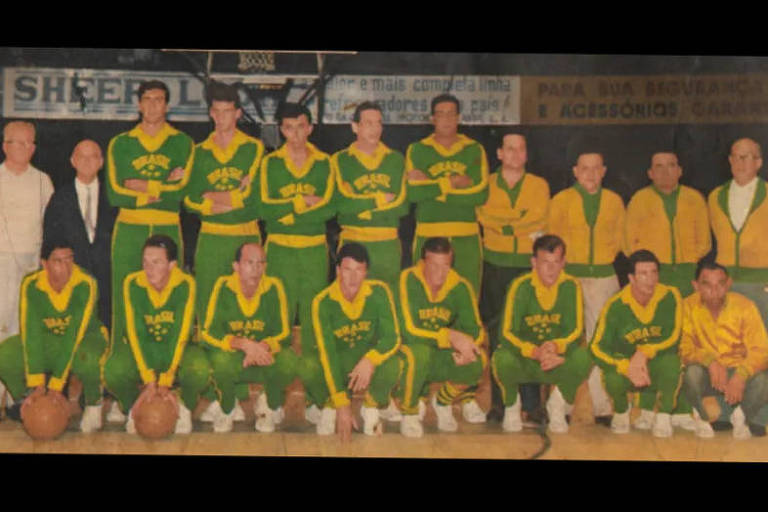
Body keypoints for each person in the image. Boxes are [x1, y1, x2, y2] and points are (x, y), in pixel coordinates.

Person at [106, 80, 194, 400]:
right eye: (147, 99)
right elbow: (116, 193)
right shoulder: (121, 143)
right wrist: (161, 184)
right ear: (139, 104)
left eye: (159, 100)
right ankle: (120, 385)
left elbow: (180, 194)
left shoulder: (183, 143)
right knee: (123, 302)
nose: (153, 105)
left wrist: (140, 185)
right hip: (129, 229)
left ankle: (170, 382)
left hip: (169, 226)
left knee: (172, 301)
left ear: (167, 105)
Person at [405, 94, 489, 423]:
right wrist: (453, 183)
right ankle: (420, 387)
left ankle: (462, 394)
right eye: (439, 114)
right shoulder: (418, 149)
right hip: (428, 233)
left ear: (458, 117)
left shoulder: (473, 149)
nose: (445, 119)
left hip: (467, 237)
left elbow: (480, 191)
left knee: (468, 314)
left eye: (450, 114)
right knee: (424, 311)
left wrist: (432, 184)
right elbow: (411, 192)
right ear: (431, 118)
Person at [259, 102, 335, 417]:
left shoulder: (326, 163)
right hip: (279, 250)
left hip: (314, 250)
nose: (296, 134)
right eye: (289, 127)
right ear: (281, 130)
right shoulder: (270, 163)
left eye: (301, 126)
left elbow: (331, 207)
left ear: (311, 128)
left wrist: (287, 209)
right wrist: (304, 204)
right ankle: (273, 400)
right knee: (278, 326)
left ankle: (318, 397)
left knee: (316, 325)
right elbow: (264, 208)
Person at [0, 236, 108, 432]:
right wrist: (37, 385)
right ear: (44, 263)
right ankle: (27, 400)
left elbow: (73, 335)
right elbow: (31, 333)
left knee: (87, 358)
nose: (66, 267)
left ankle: (94, 402)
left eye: (69, 259)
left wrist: (56, 385)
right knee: (5, 353)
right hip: (50, 340)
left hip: (85, 338)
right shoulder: (31, 284)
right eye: (58, 261)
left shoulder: (85, 283)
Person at [477, 131, 549, 424]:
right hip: (495, 264)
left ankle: (532, 405)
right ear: (500, 154)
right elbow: (483, 215)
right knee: (497, 336)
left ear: (526, 154)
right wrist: (515, 223)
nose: (516, 154)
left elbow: (538, 218)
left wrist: (505, 225)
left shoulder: (539, 185)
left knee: (530, 331)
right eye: (510, 149)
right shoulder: (487, 184)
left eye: (521, 149)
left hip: (527, 266)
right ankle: (500, 403)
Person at [103, 235, 209, 434]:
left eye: (156, 262)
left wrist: (166, 380)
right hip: (145, 349)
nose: (148, 268)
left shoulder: (185, 284)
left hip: (177, 350)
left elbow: (180, 334)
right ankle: (134, 406)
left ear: (172, 265)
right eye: (145, 262)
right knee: (113, 370)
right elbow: (136, 333)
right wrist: (150, 380)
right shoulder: (132, 283)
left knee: (200, 368)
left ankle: (184, 404)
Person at [549, 150, 624, 425]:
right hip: (570, 277)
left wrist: (601, 259)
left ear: (604, 171)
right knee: (566, 342)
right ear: (575, 171)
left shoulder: (614, 201)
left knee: (601, 342)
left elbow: (621, 239)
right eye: (585, 168)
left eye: (596, 168)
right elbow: (553, 239)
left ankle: (603, 406)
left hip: (604, 277)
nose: (590, 174)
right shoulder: (561, 200)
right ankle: (562, 406)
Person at [301, 243, 401, 441]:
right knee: (308, 366)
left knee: (394, 363)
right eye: (347, 269)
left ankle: (371, 406)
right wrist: (341, 404)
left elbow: (393, 337)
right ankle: (328, 403)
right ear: (338, 270)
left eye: (359, 270)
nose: (353, 277)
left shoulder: (379, 292)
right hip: (339, 362)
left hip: (365, 361)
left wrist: (370, 360)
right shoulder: (323, 301)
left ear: (366, 271)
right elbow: (327, 354)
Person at [492, 234, 590, 434]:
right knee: (501, 357)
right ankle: (512, 405)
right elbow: (506, 332)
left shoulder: (571, 286)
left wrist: (556, 347)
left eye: (556, 262)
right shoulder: (520, 286)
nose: (551, 269)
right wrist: (533, 351)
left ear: (563, 263)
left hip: (554, 359)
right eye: (545, 262)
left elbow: (576, 331)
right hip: (527, 359)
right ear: (533, 262)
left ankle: (558, 404)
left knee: (585, 356)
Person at [183, 81, 264, 319]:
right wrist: (233, 197)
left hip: (245, 235)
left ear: (238, 113)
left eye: (227, 111)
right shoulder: (199, 152)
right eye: (216, 111)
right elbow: (189, 199)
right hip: (211, 237)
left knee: (247, 302)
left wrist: (210, 196)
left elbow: (255, 201)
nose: (221, 117)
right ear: (210, 113)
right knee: (209, 301)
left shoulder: (254, 148)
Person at [200, 242, 297, 433]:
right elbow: (208, 332)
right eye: (249, 263)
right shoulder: (223, 286)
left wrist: (262, 346)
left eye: (261, 263)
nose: (256, 269)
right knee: (219, 360)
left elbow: (284, 333)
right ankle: (227, 408)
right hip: (236, 359)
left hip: (264, 356)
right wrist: (244, 344)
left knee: (289, 361)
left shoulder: (274, 287)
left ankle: (268, 404)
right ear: (236, 266)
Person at [397, 237, 485, 437]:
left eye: (445, 265)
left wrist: (468, 346)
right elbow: (408, 330)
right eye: (433, 265)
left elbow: (477, 330)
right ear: (423, 262)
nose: (440, 272)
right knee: (418, 353)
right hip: (407, 353)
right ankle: (409, 410)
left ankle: (443, 402)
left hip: (439, 354)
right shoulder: (407, 280)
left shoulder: (460, 286)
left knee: (478, 359)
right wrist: (450, 336)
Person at [590, 250, 683, 437]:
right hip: (628, 370)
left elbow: (674, 337)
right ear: (631, 278)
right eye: (643, 274)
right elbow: (596, 347)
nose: (651, 279)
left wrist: (644, 353)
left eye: (654, 272)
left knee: (672, 362)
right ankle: (622, 412)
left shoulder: (670, 295)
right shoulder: (615, 305)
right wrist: (625, 366)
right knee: (611, 375)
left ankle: (663, 415)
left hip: (654, 365)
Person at [680, 259, 768, 439]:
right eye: (707, 284)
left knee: (763, 382)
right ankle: (702, 418)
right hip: (707, 374)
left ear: (728, 284)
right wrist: (709, 362)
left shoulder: (744, 306)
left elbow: (761, 349)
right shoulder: (686, 306)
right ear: (696, 286)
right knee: (691, 374)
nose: (714, 290)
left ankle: (740, 416)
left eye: (720, 284)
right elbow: (684, 347)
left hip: (737, 370)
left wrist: (741, 374)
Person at [331, 101, 407, 294]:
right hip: (353, 242)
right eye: (368, 123)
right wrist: (379, 200)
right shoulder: (339, 160)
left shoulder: (396, 159)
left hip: (387, 245)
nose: (375, 129)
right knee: (350, 301)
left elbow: (402, 206)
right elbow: (341, 204)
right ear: (355, 126)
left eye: (379, 123)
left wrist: (360, 206)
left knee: (388, 301)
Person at [43, 139, 117, 329]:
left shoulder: (114, 196)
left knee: (105, 329)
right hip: (73, 277)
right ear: (72, 161)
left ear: (101, 162)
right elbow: (50, 238)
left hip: (108, 278)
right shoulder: (60, 197)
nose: (87, 161)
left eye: (93, 156)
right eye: (81, 156)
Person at [625, 151, 711, 297]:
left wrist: (690, 260)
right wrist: (646, 268)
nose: (666, 171)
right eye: (659, 167)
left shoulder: (694, 198)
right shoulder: (639, 200)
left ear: (679, 171)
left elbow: (705, 241)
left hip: (687, 273)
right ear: (650, 173)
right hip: (653, 274)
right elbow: (628, 242)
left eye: (671, 165)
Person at [0, 121, 54, 340]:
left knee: (23, 321)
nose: (26, 148)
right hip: (1, 260)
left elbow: (50, 223)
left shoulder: (43, 180)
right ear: (5, 146)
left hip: (31, 262)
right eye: (19, 143)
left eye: (30, 143)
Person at [708, 137, 768, 325]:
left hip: (761, 283)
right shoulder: (715, 196)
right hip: (725, 284)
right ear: (729, 161)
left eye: (746, 157)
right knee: (728, 342)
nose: (739, 162)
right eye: (735, 157)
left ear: (758, 162)